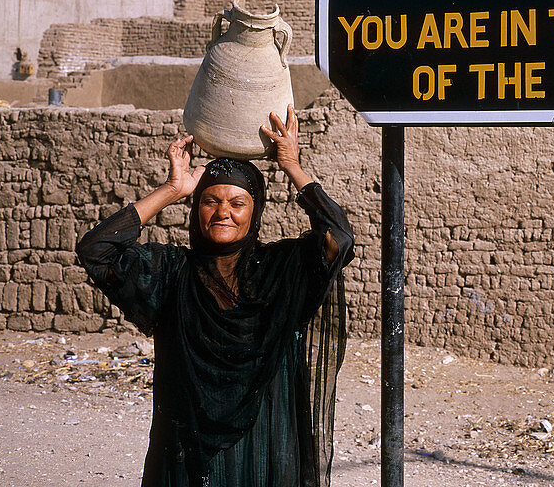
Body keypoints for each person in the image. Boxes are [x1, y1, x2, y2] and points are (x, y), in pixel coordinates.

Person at [77, 106, 354, 487]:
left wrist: (292, 166)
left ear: (254, 212)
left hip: (262, 444)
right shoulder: (172, 273)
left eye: (237, 203)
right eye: (211, 201)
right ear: (196, 209)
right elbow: (96, 250)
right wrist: (171, 190)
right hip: (187, 451)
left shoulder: (279, 271)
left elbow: (339, 238)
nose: (223, 212)